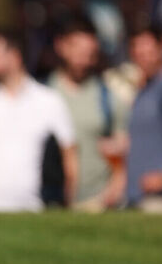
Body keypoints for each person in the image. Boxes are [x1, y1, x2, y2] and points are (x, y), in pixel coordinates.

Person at [0, 26, 76, 212]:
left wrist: (67, 204)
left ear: (14, 56)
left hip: (32, 211)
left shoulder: (49, 101)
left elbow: (69, 158)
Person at [47, 16, 128, 212]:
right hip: (51, 200)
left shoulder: (108, 97)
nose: (83, 60)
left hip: (98, 201)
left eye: (90, 54)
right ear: (61, 46)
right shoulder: (43, 94)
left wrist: (116, 187)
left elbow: (123, 150)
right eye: (78, 51)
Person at [124, 20, 162, 213]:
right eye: (138, 54)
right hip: (138, 199)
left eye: (149, 52)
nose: (144, 59)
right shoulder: (143, 90)